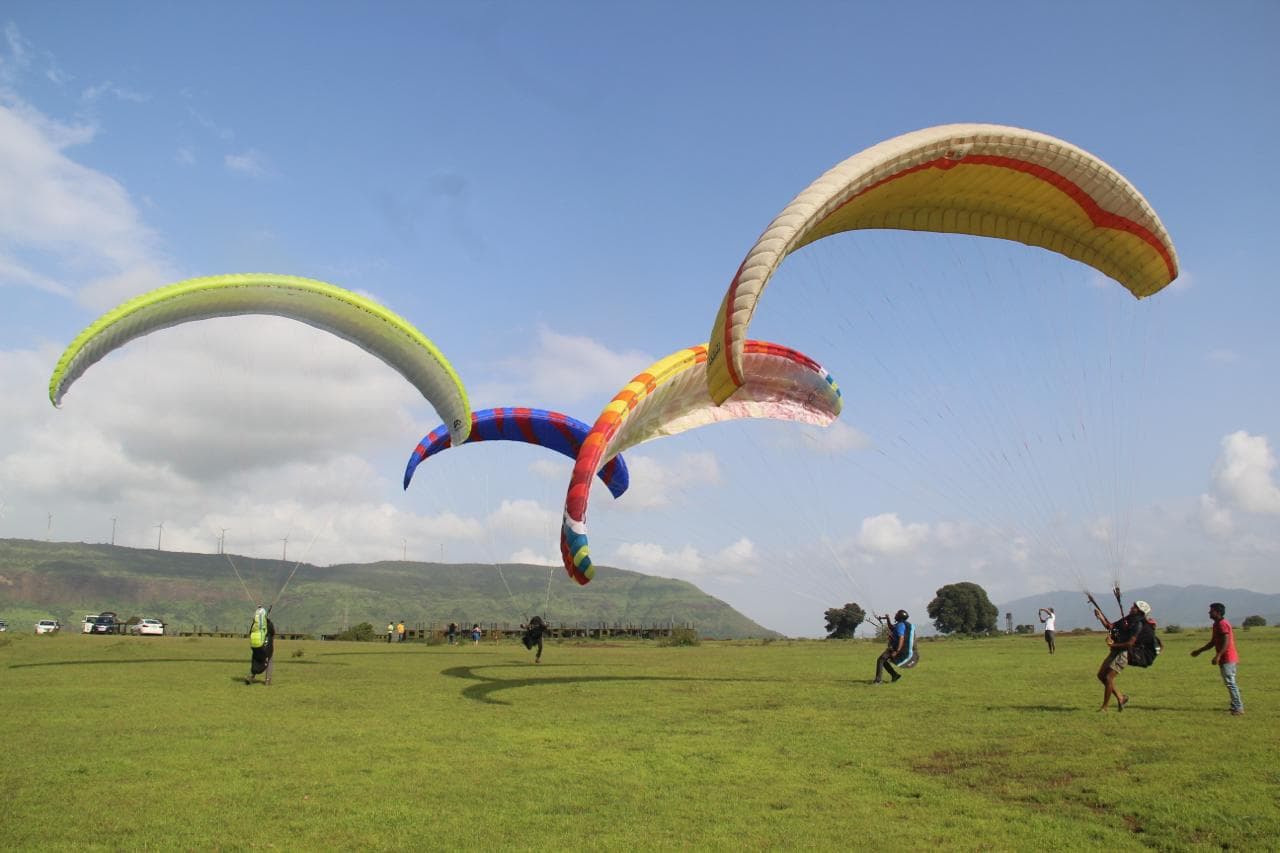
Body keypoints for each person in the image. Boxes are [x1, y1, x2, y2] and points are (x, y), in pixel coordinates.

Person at [1093, 600, 1153, 711]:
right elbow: (1110, 627)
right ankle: (1121, 698)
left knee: (1108, 677)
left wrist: (1113, 644)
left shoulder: (1138, 625)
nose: (1131, 607)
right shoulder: (1127, 619)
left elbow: (1130, 643)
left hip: (1124, 653)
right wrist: (1100, 617)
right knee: (1101, 676)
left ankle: (1104, 707)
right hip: (1115, 650)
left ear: (1139, 611)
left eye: (1134, 607)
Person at [1191, 602, 1244, 716]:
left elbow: (1226, 641)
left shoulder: (1222, 624)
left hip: (1228, 657)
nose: (1209, 612)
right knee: (1230, 682)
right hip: (1226, 657)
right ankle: (1235, 704)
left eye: (1211, 610)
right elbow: (1213, 642)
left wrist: (1218, 655)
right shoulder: (1217, 624)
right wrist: (1199, 651)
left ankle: (1238, 708)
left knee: (1230, 683)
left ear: (1218, 612)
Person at [873, 610, 917, 684]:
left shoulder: (900, 625)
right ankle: (895, 675)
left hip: (895, 648)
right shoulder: (899, 624)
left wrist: (897, 651)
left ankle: (878, 680)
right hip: (895, 647)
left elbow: (901, 638)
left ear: (899, 617)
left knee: (880, 660)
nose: (895, 615)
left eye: (897, 614)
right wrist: (888, 619)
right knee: (883, 661)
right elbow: (891, 627)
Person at [246, 605, 275, 686]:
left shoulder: (255, 624)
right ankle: (267, 680)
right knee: (269, 658)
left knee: (255, 661)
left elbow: (250, 633)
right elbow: (272, 632)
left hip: (255, 646)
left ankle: (250, 677)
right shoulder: (268, 623)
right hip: (266, 647)